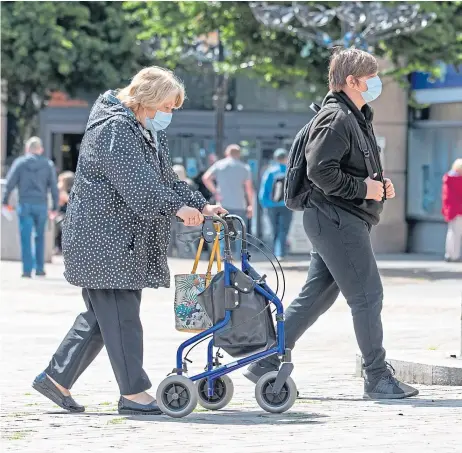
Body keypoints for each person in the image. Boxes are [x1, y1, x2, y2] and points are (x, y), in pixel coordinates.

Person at [31, 66, 227, 415]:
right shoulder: (116, 130)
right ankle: (133, 394)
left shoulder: (146, 132)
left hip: (115, 239)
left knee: (102, 318)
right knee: (120, 316)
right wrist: (178, 209)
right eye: (167, 107)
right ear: (147, 101)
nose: (170, 114)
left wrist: (200, 204)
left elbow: (168, 181)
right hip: (103, 239)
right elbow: (141, 189)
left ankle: (56, 378)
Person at [244, 48, 419, 400]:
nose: (376, 83)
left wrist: (377, 186)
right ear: (351, 81)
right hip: (335, 219)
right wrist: (363, 188)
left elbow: (346, 168)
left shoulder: (355, 115)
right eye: (370, 78)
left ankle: (265, 359)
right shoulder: (336, 117)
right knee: (368, 297)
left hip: (337, 218)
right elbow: (321, 171)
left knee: (317, 296)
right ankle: (377, 377)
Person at [2, 137, 59, 278]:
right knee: (40, 236)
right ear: (41, 149)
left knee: (25, 237)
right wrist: (55, 206)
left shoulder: (20, 163)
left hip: (25, 204)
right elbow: (53, 187)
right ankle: (40, 268)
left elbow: (9, 183)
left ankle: (27, 270)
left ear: (27, 149)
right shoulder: (48, 164)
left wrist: (5, 201)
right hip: (41, 204)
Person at [202, 144, 255, 257]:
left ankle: (223, 257)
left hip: (222, 204)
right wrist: (250, 205)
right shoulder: (244, 167)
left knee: (223, 232)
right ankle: (241, 257)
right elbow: (249, 189)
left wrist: (216, 192)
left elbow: (206, 178)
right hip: (240, 204)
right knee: (240, 232)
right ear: (239, 154)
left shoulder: (219, 165)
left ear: (227, 153)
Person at [259, 148, 293, 260]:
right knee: (283, 229)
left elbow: (264, 190)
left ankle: (274, 252)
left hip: (270, 205)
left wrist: (264, 203)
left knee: (273, 229)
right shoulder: (290, 171)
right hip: (286, 205)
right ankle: (280, 253)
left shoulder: (270, 171)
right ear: (286, 158)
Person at [441, 158, 462, 262]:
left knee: (452, 232)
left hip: (450, 210)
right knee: (456, 234)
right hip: (459, 210)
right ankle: (455, 256)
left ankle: (449, 254)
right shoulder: (458, 181)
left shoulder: (448, 179)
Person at [54, 171, 75, 254]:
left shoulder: (73, 192)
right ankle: (57, 246)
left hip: (68, 216)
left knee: (60, 223)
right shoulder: (61, 191)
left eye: (60, 181)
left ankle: (59, 247)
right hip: (62, 215)